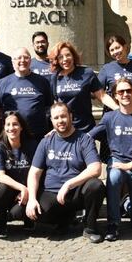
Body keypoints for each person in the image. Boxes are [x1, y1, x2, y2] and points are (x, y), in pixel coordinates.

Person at [89, 78, 132, 241]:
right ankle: (113, 224)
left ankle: (126, 203)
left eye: (129, 90)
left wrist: (129, 165)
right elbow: (87, 137)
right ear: (115, 96)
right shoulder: (109, 118)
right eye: (121, 92)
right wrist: (57, 134)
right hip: (117, 164)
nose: (125, 94)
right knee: (113, 177)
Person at [26, 102, 106, 243]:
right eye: (56, 118)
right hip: (52, 192)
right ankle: (66, 218)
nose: (60, 121)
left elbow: (96, 168)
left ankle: (90, 227)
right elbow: (34, 172)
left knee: (96, 186)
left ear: (70, 116)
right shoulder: (46, 142)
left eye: (63, 116)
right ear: (51, 120)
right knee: (37, 214)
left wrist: (69, 184)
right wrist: (31, 199)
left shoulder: (84, 139)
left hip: (76, 192)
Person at [48, 41, 117, 132]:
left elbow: (102, 96)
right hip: (65, 129)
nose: (65, 59)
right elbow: (56, 103)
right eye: (60, 57)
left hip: (85, 128)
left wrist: (118, 109)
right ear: (57, 60)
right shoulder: (55, 77)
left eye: (68, 55)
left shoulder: (86, 73)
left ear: (73, 56)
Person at [0, 111, 38, 236]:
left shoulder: (32, 145)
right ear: (4, 127)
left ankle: (29, 220)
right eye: (8, 125)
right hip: (11, 190)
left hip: (29, 189)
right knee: (0, 190)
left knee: (16, 214)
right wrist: (21, 188)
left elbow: (38, 172)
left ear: (21, 127)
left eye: (15, 124)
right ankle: (1, 225)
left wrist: (28, 190)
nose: (11, 128)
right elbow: (0, 176)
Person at [0, 47, 53, 138]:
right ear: (13, 62)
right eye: (19, 58)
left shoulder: (42, 81)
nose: (22, 60)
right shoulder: (3, 83)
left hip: (37, 135)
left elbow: (49, 106)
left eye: (26, 57)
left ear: (30, 61)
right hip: (12, 134)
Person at [98, 35, 132, 101]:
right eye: (112, 50)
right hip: (113, 109)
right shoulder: (106, 68)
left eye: (117, 48)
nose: (115, 52)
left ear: (125, 47)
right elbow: (98, 92)